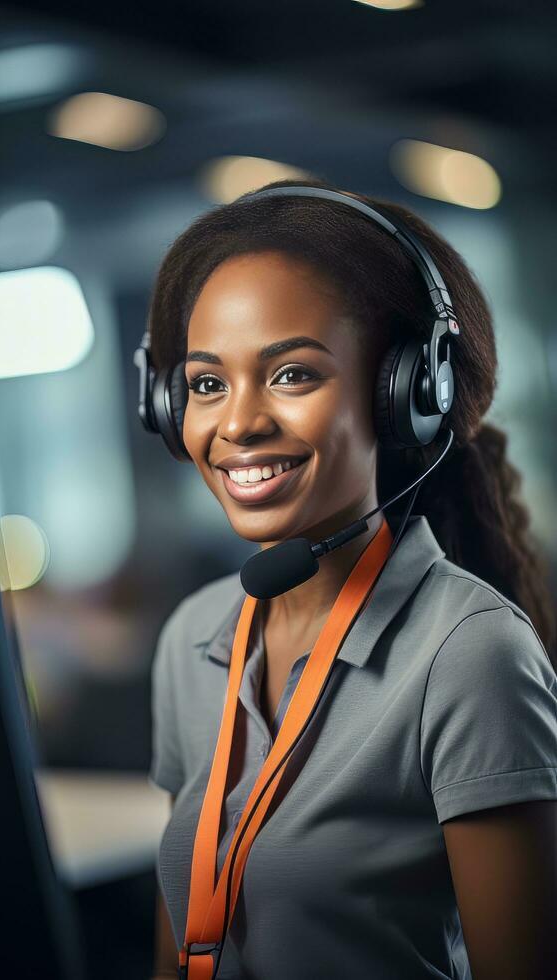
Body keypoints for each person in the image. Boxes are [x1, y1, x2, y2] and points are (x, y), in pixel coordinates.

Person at [144, 177, 557, 979]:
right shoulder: (193, 638)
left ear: (405, 393)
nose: (237, 423)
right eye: (205, 383)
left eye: (292, 374)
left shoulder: (468, 655)